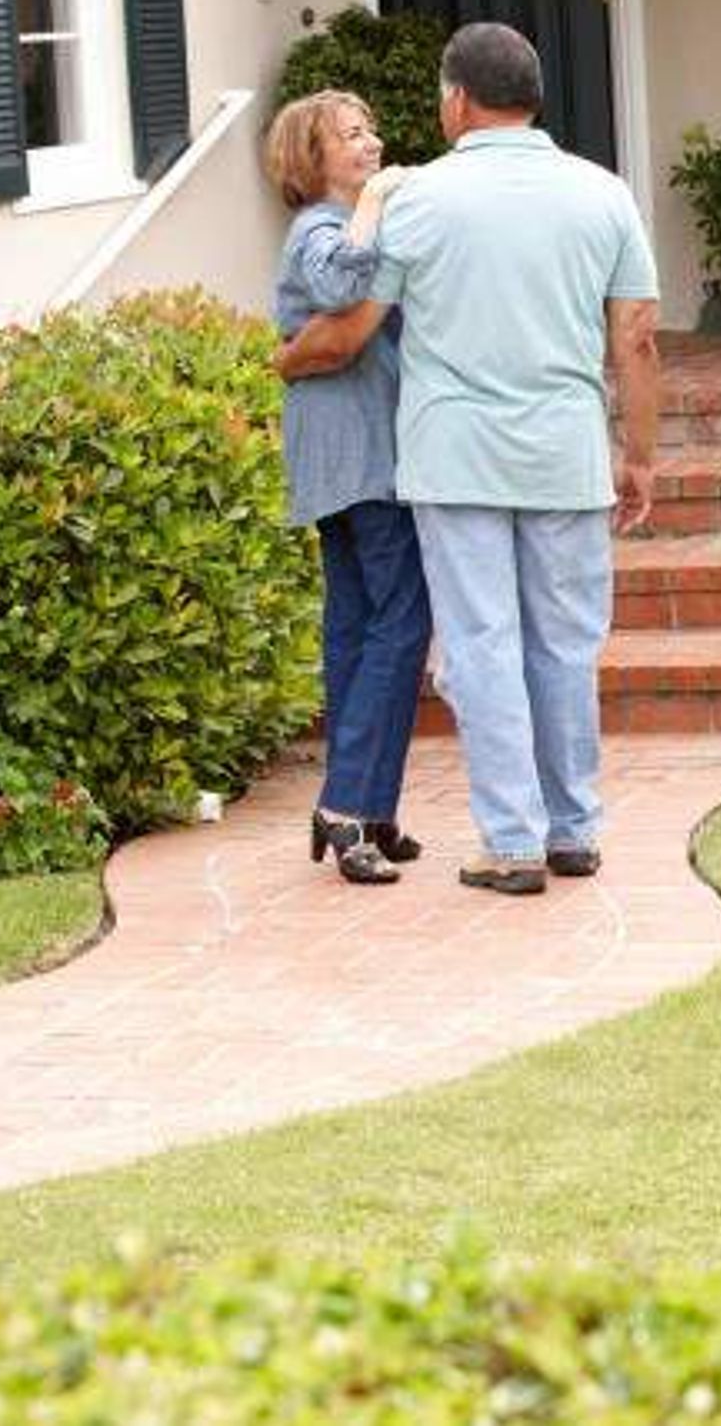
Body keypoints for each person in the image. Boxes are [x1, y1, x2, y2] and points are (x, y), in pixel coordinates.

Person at [277, 23, 661, 897]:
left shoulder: (419, 200)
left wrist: (285, 360)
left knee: (483, 645)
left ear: (457, 100)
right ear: (532, 97)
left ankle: (512, 843)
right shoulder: (603, 192)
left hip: (454, 460)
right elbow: (637, 337)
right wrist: (639, 454)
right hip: (566, 453)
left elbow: (352, 329)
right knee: (566, 645)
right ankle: (573, 831)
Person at [263, 90, 432, 886]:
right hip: (358, 451)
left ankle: (367, 808)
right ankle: (347, 805)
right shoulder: (320, 228)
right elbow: (336, 289)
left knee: (359, 626)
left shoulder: (345, 223)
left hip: (343, 449)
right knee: (401, 621)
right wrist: (376, 200)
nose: (371, 143)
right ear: (313, 158)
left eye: (371, 130)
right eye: (351, 135)